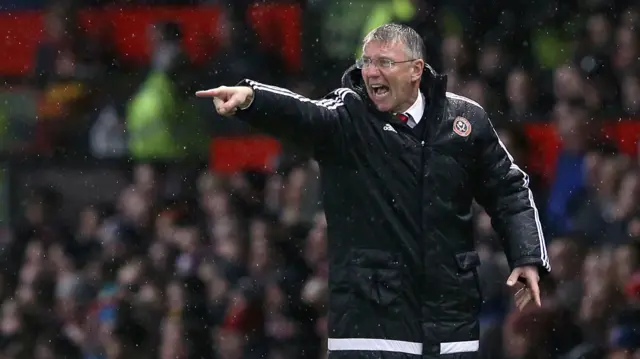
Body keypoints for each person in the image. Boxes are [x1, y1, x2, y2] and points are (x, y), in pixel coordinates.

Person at [197, 24, 550, 359]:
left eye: (384, 62)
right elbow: (305, 115)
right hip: (369, 325)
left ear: (416, 70)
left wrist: (526, 256)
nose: (371, 72)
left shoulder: (465, 120)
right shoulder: (349, 117)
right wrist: (253, 99)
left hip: (449, 325)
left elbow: (509, 189)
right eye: (366, 62)